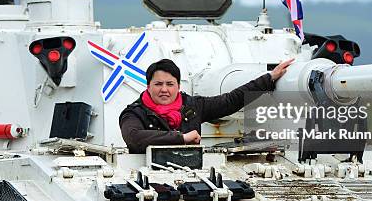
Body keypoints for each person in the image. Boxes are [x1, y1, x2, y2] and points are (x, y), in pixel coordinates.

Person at [119, 58, 294, 153]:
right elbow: (134, 138)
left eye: (170, 84)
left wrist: (269, 78)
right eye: (158, 84)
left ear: (178, 86)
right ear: (148, 86)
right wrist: (182, 138)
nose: (164, 89)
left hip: (192, 175)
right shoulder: (134, 113)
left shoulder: (193, 106)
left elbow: (231, 100)